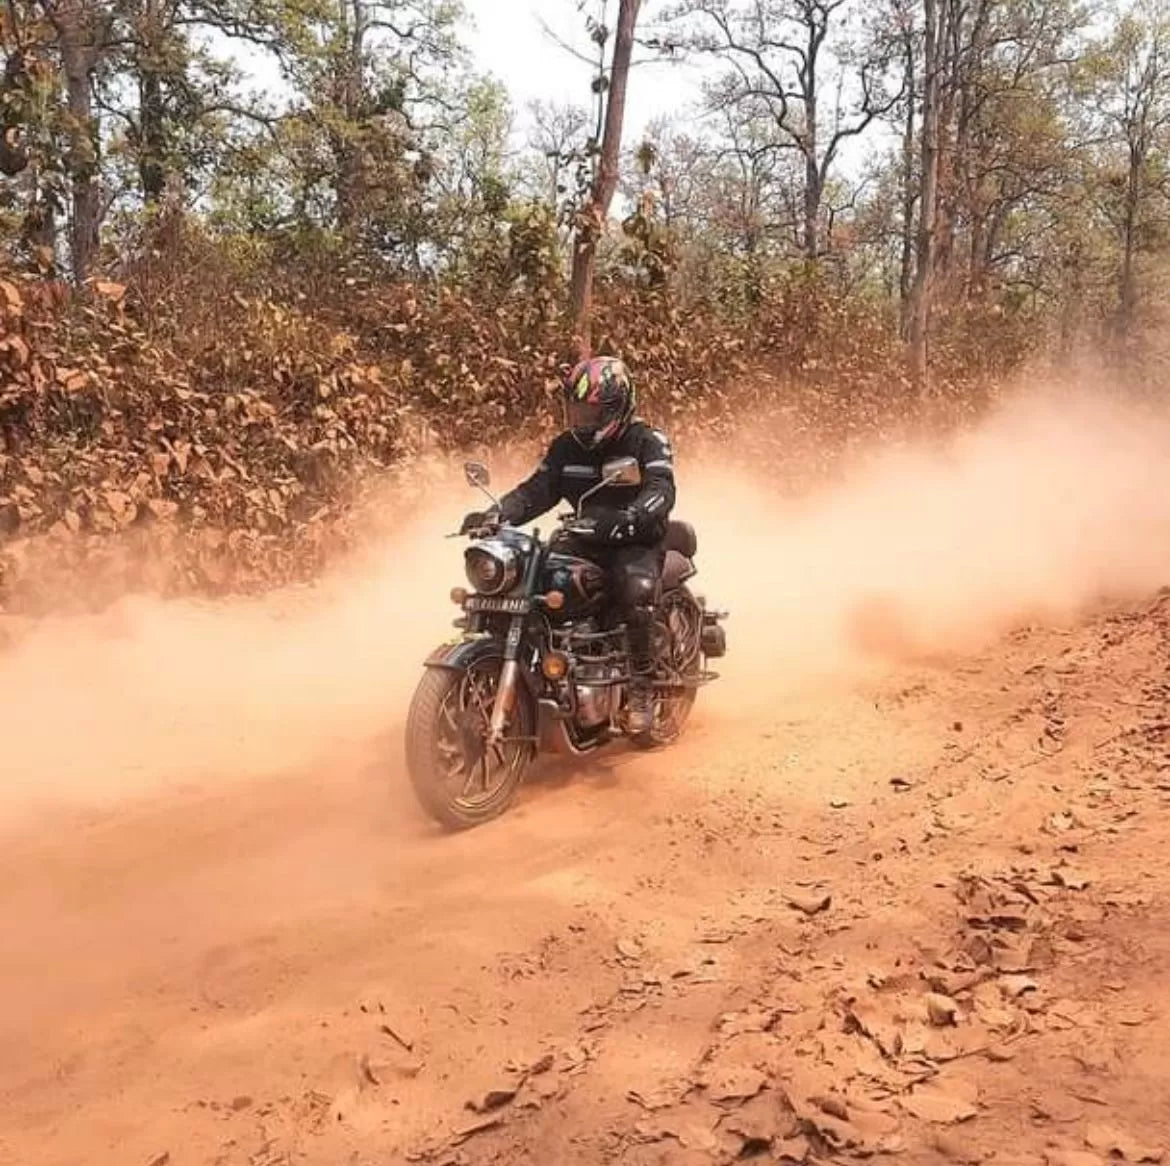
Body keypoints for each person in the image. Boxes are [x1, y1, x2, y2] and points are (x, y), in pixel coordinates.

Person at [460, 356, 676, 736]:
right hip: (583, 535)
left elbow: (662, 491)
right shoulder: (566, 447)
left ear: (618, 406)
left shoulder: (647, 441)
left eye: (593, 413)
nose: (583, 420)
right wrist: (496, 513)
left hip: (634, 540)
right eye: (577, 411)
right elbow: (537, 491)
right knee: (536, 580)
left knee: (634, 590)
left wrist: (632, 516)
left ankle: (642, 688)